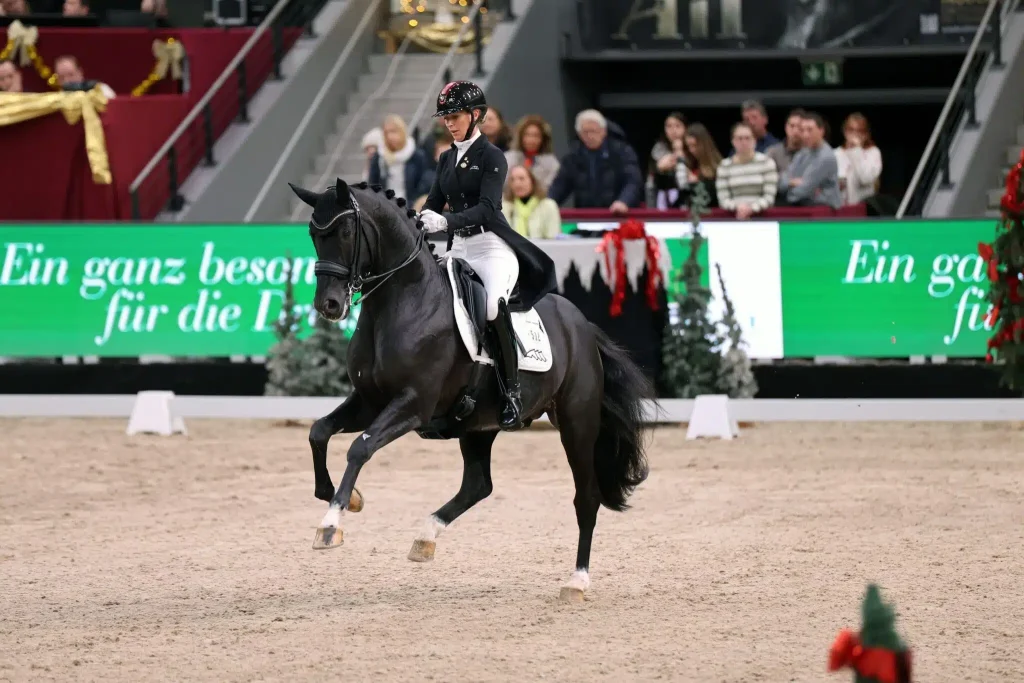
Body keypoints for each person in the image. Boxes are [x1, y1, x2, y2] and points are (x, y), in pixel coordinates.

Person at [417, 81, 558, 431]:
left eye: (455, 116)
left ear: (475, 114)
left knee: (493, 307)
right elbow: (433, 202)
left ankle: (511, 392)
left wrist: (445, 221)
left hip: (491, 246)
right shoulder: (447, 158)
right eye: (446, 117)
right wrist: (415, 221)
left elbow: (488, 208)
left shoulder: (492, 156)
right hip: (459, 248)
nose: (449, 123)